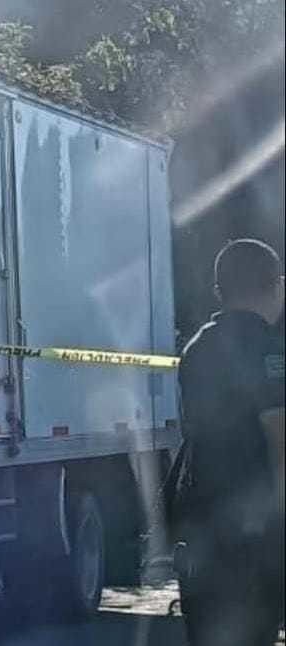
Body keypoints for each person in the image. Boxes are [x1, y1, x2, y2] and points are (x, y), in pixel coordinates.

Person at [173, 238, 285, 646]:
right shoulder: (267, 349)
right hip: (253, 532)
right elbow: (280, 438)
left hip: (203, 526)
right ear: (277, 285)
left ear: (219, 291)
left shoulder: (197, 346)